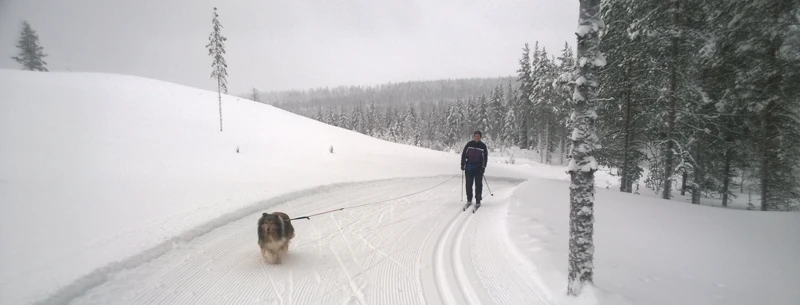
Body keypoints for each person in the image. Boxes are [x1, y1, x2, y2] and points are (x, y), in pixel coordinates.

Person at [461, 130, 488, 206]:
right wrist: (462, 164)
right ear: (474, 136)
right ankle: (469, 199)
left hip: (478, 168)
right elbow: (464, 155)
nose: (477, 137)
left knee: (478, 184)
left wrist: (483, 167)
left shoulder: (483, 146)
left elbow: (485, 158)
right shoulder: (469, 144)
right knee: (468, 184)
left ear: (480, 137)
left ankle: (478, 200)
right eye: (476, 136)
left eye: (478, 136)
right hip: (469, 167)